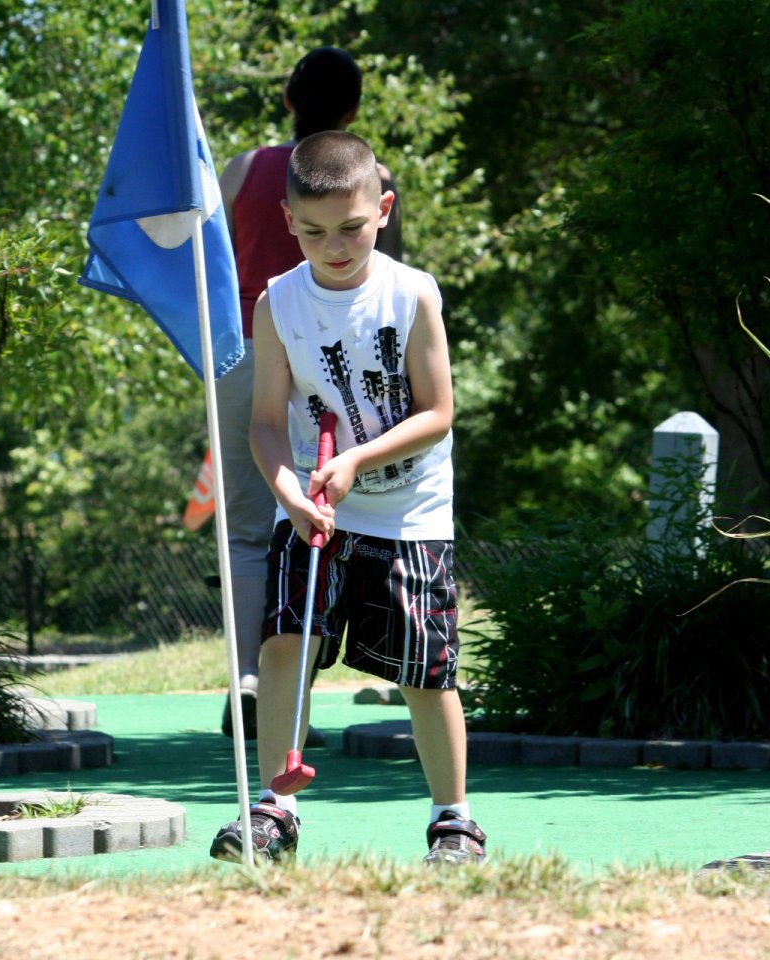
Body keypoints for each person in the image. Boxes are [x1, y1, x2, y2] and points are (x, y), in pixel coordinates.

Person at [209, 131, 485, 866]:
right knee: (282, 645)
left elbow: (438, 412)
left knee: (425, 671)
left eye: (352, 228)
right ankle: (275, 810)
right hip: (312, 503)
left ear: (383, 210)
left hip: (409, 508)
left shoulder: (411, 293)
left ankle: (454, 821)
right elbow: (267, 424)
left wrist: (358, 458)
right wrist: (290, 494)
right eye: (313, 231)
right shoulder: (277, 304)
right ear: (288, 220)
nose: (334, 246)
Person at [214, 47, 401, 742]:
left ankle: (249, 679)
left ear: (289, 98)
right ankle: (294, 695)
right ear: (351, 110)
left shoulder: (244, 168)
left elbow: (213, 264)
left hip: (242, 350)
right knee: (324, 517)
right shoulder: (369, 180)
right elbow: (387, 282)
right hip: (333, 360)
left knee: (246, 531)